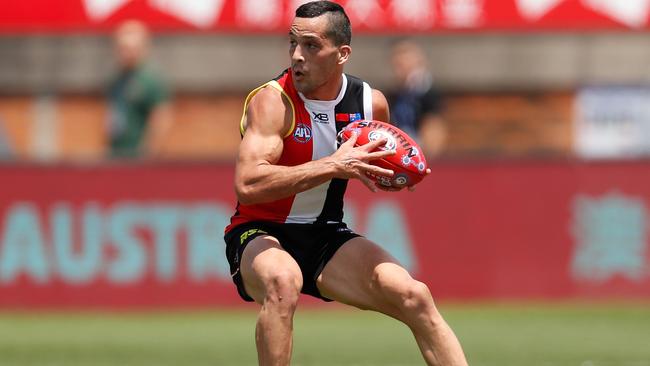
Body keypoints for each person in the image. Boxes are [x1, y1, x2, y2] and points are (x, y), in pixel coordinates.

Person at [223, 2, 468, 365]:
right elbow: (249, 184)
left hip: (325, 234)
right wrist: (331, 165)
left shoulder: (371, 105)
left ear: (342, 54)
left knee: (415, 295)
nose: (297, 56)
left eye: (310, 45)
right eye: (292, 43)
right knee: (282, 281)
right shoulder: (272, 102)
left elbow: (373, 166)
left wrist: (394, 176)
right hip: (259, 231)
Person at [107, 20, 172, 158]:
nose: (126, 53)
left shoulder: (150, 81)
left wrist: (147, 154)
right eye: (122, 48)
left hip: (137, 160)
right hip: (117, 155)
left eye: (130, 49)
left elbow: (161, 120)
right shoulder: (118, 80)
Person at [388, 39, 447, 157]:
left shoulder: (428, 93)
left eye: (405, 57)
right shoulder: (395, 95)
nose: (401, 64)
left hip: (418, 155)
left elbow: (434, 133)